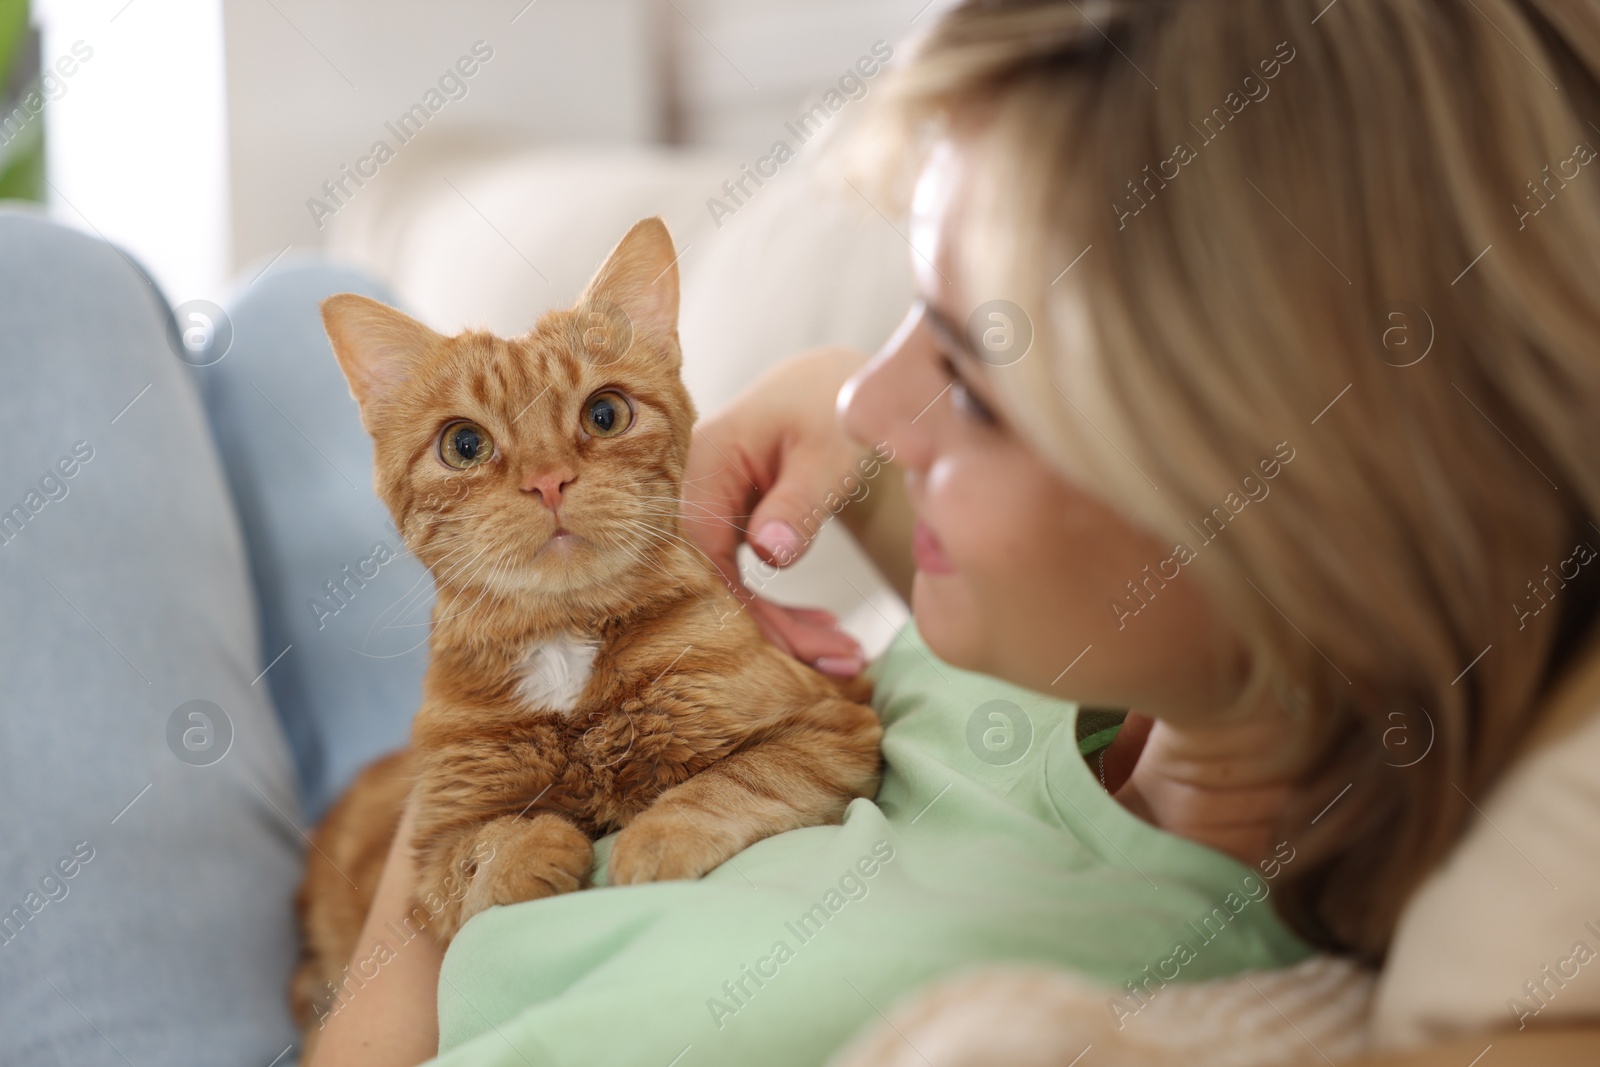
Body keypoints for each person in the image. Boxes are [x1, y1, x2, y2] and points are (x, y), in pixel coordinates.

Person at [4, 2, 1599, 1066]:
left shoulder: (1080, 994)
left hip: (354, 982)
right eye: (908, 317)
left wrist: (417, 895)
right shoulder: (1076, 672)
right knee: (293, 320)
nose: (875, 398)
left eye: (971, 379)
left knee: (50, 302)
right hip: (491, 742)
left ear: (1278, 500)